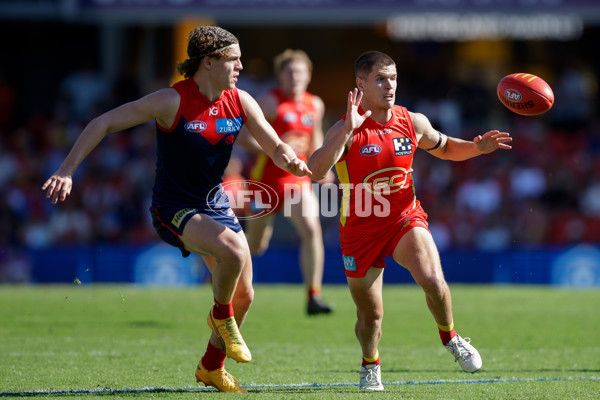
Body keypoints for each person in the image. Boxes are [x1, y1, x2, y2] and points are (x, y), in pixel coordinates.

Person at [42, 26, 311, 393]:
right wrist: (66, 170)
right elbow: (103, 122)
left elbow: (274, 143)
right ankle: (221, 317)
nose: (240, 66)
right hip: (173, 208)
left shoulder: (241, 100)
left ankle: (211, 368)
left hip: (214, 202)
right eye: (233, 59)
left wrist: (291, 160)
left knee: (245, 295)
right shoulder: (172, 100)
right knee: (233, 253)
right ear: (209, 61)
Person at [307, 51, 512, 391]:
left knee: (432, 279)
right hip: (360, 230)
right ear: (361, 84)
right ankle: (370, 363)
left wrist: (477, 148)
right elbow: (315, 171)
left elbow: (445, 148)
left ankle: (451, 338)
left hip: (405, 218)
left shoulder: (411, 121)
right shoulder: (346, 127)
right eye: (380, 79)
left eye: (394, 78)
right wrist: (346, 129)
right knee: (370, 318)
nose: (390, 86)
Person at [236, 49, 334, 315]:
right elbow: (243, 138)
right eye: (289, 72)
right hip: (264, 182)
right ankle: (225, 282)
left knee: (312, 231)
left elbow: (315, 139)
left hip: (296, 181)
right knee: (256, 246)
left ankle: (314, 296)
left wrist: (323, 169)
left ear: (309, 75)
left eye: (299, 72)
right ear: (280, 75)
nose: (295, 77)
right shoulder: (269, 102)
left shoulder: (315, 104)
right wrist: (277, 151)